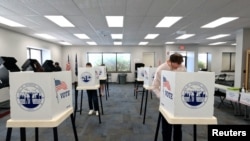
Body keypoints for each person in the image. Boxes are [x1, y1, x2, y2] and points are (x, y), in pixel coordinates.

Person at [152, 53, 186, 141]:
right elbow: (155, 87)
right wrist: (162, 97)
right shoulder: (161, 69)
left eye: (180, 63)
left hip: (178, 101)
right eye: (177, 64)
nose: (178, 66)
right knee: (166, 127)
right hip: (166, 101)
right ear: (170, 61)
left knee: (178, 126)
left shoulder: (182, 68)